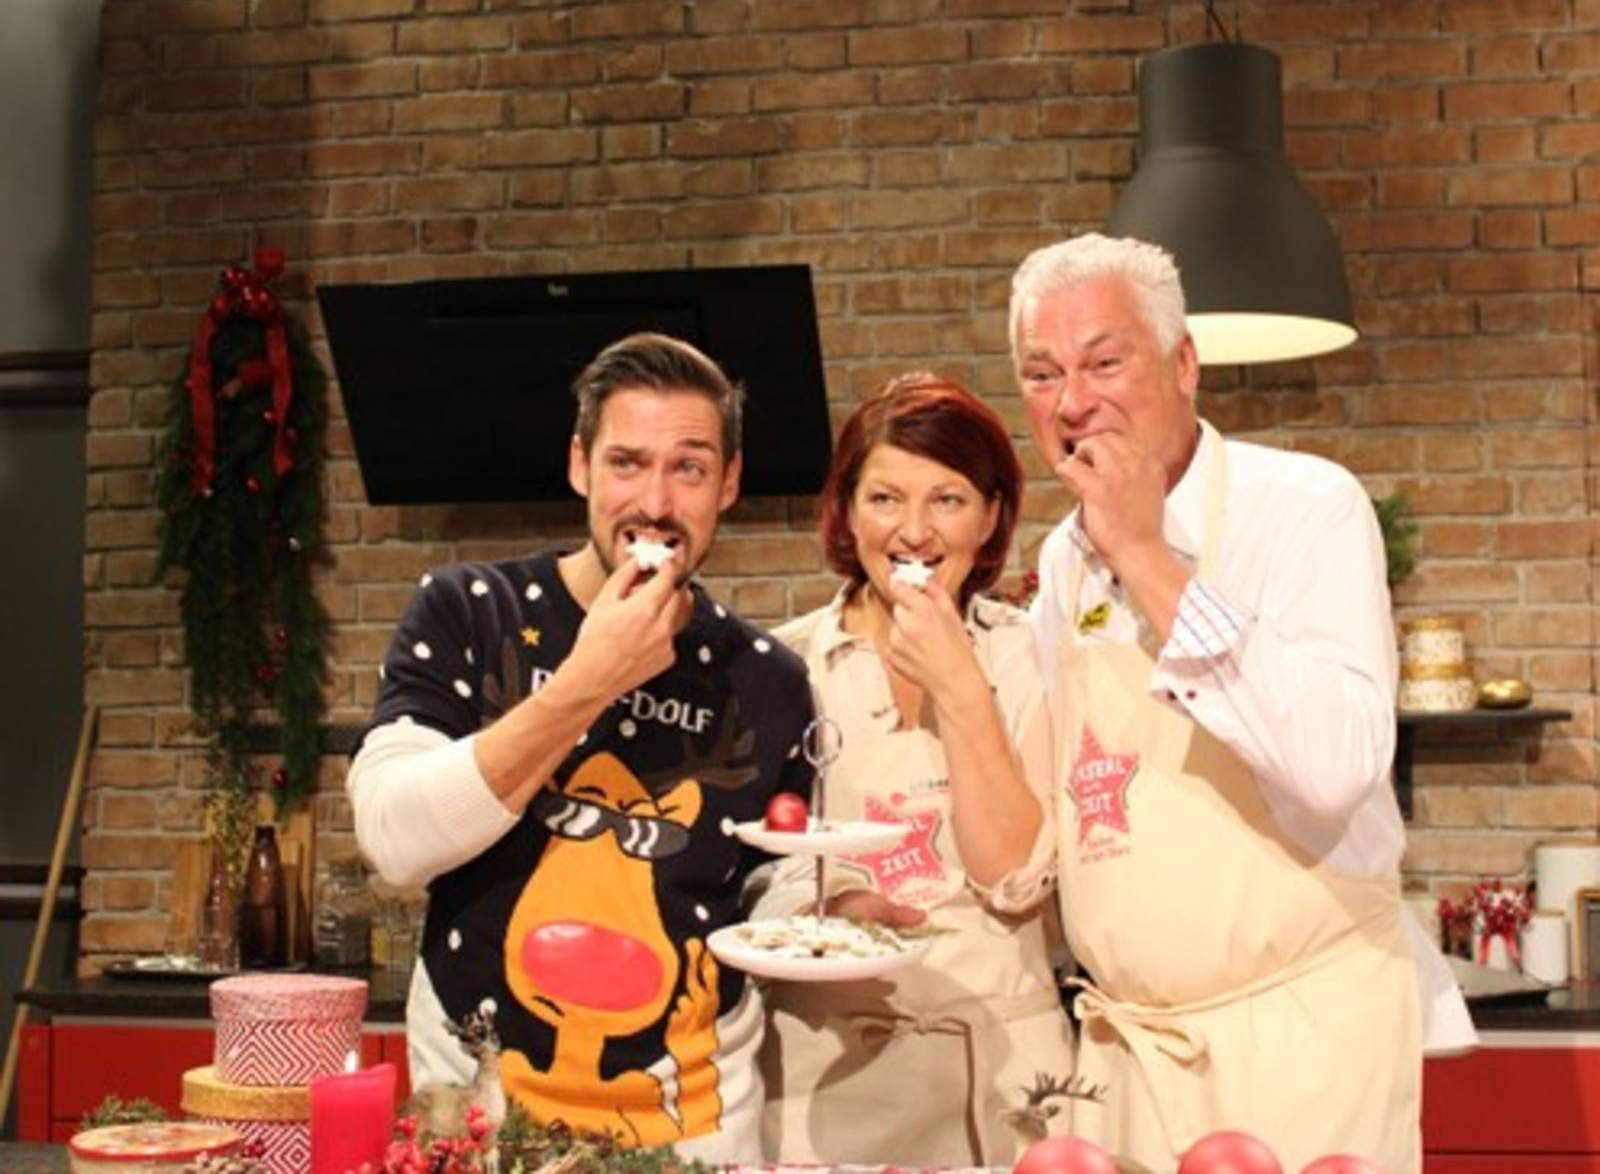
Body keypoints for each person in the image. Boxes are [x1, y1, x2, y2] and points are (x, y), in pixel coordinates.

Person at [1003, 233, 1473, 1172]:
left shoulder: (1305, 508)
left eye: (1104, 360)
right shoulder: (1061, 557)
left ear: (1184, 363)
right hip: (1131, 1050)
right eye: (1042, 373)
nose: (1073, 400)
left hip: (1301, 1036)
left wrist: (1146, 554)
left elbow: (1337, 765)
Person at [348, 332, 816, 1162]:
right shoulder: (467, 612)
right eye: (627, 462)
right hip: (478, 1125)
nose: (657, 502)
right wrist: (588, 680)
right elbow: (393, 841)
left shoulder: (770, 677)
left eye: (691, 468)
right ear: (580, 466)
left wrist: (834, 912)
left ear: (730, 483)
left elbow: (776, 883)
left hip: (696, 1134)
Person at [755, 373, 1075, 1167]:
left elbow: (1015, 877)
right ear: (847, 509)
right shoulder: (780, 666)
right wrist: (831, 900)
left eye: (949, 499)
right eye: (886, 498)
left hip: (1012, 1074)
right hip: (826, 1072)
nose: (915, 530)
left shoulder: (1034, 656)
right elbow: (752, 871)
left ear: (993, 514)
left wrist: (961, 682)